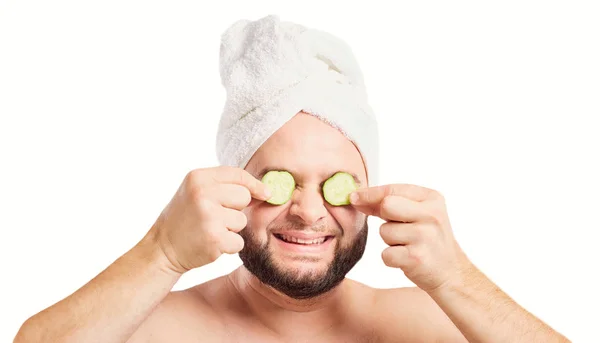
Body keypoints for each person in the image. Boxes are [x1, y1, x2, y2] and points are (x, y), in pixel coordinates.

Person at [15, 15, 570, 343]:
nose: (308, 211)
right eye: (279, 180)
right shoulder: (160, 327)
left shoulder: (422, 321)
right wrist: (162, 252)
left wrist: (458, 280)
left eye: (337, 183)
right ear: (228, 191)